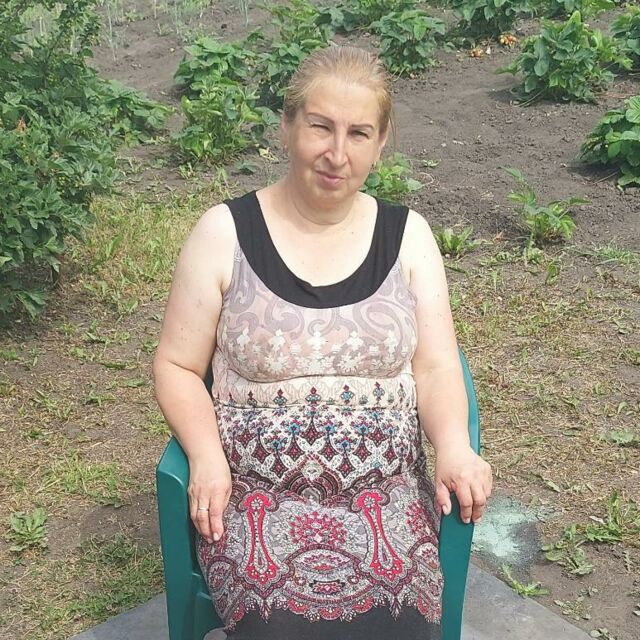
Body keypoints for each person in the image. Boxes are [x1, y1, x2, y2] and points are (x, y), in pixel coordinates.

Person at [153, 45, 492, 640]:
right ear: (287, 127)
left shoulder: (408, 237)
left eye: (359, 133)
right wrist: (205, 456)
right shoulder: (223, 233)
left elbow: (438, 367)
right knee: (279, 630)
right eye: (320, 127)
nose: (338, 153)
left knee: (399, 626)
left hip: (385, 503)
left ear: (381, 144)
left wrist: (455, 447)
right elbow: (178, 366)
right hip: (257, 503)